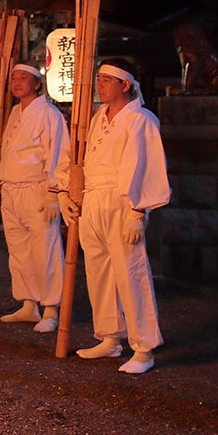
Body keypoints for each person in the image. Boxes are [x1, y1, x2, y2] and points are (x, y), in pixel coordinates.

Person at [56, 60, 170, 374]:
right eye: (99, 79)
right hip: (94, 198)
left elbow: (148, 165)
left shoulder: (141, 119)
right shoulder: (96, 118)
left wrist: (138, 209)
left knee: (131, 272)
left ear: (126, 85)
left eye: (107, 80)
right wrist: (67, 191)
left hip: (122, 201)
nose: (100, 85)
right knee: (98, 269)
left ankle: (144, 347)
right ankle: (109, 335)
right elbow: (79, 158)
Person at [0, 64, 66, 333]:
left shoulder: (49, 114)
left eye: (23, 79)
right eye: (13, 79)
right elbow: (3, 149)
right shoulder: (15, 112)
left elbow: (58, 152)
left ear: (37, 84)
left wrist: (55, 190)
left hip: (36, 188)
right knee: (19, 251)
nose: (17, 83)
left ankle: (51, 308)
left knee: (45, 249)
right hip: (11, 188)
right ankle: (29, 304)